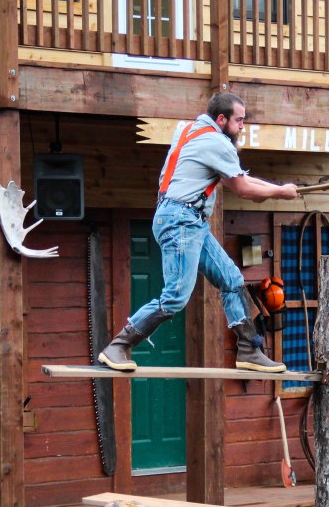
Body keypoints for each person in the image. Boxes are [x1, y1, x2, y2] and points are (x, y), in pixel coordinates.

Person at [98, 92, 298, 373]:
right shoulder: (217, 143)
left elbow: (239, 178)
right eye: (239, 120)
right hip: (182, 220)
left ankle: (248, 350)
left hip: (186, 219)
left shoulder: (191, 130)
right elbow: (243, 190)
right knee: (176, 295)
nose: (242, 127)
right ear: (222, 119)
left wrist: (279, 188)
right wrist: (281, 192)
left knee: (231, 279)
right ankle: (119, 345)